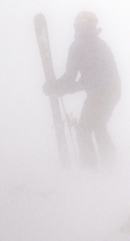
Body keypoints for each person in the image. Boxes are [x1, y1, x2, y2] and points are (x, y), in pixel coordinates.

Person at [43, 11, 121, 169]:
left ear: (79, 26)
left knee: (85, 129)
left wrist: (55, 87)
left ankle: (89, 169)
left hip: (98, 93)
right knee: (99, 125)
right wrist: (63, 88)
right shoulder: (101, 44)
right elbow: (96, 77)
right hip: (114, 91)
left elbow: (71, 78)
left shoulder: (78, 45)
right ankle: (110, 166)